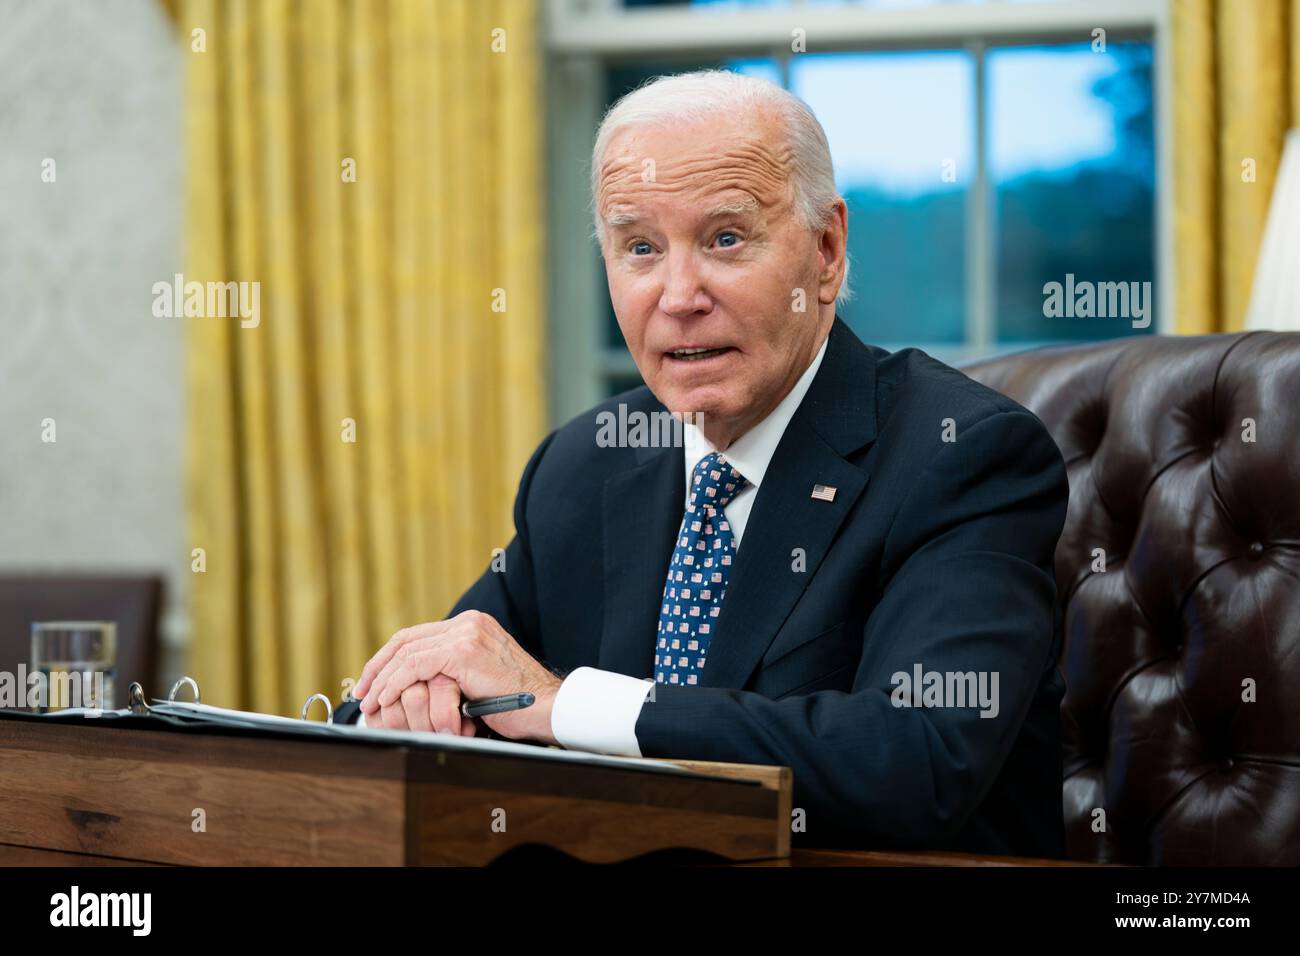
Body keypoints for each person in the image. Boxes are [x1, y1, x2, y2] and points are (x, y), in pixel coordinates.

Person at [353, 70, 1069, 855]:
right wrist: (415, 703)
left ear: (826, 252)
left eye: (726, 239)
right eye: (640, 248)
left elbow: (915, 762)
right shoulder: (584, 465)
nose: (679, 294)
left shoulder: (961, 456)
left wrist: (566, 706)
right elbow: (468, 674)